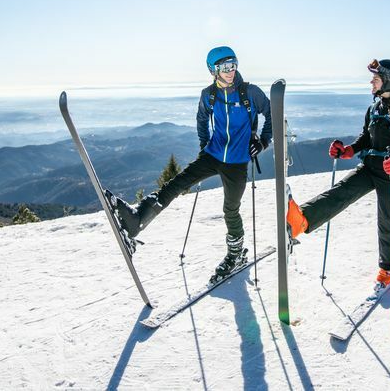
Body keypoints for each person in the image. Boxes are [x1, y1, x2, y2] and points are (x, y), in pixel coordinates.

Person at [114, 46, 272, 281]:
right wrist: (204, 145)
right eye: (225, 67)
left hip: (237, 162)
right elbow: (201, 119)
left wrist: (263, 142)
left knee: (230, 209)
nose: (231, 71)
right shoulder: (209, 94)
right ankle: (138, 220)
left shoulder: (250, 93)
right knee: (177, 183)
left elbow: (272, 114)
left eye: (234, 64)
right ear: (213, 70)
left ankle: (236, 253)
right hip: (212, 154)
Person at [286, 59, 390, 287]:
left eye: (376, 79)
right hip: (370, 166)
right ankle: (301, 220)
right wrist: (349, 150)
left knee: (386, 219)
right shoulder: (375, 107)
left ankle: (389, 268)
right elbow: (366, 138)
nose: (372, 82)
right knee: (342, 192)